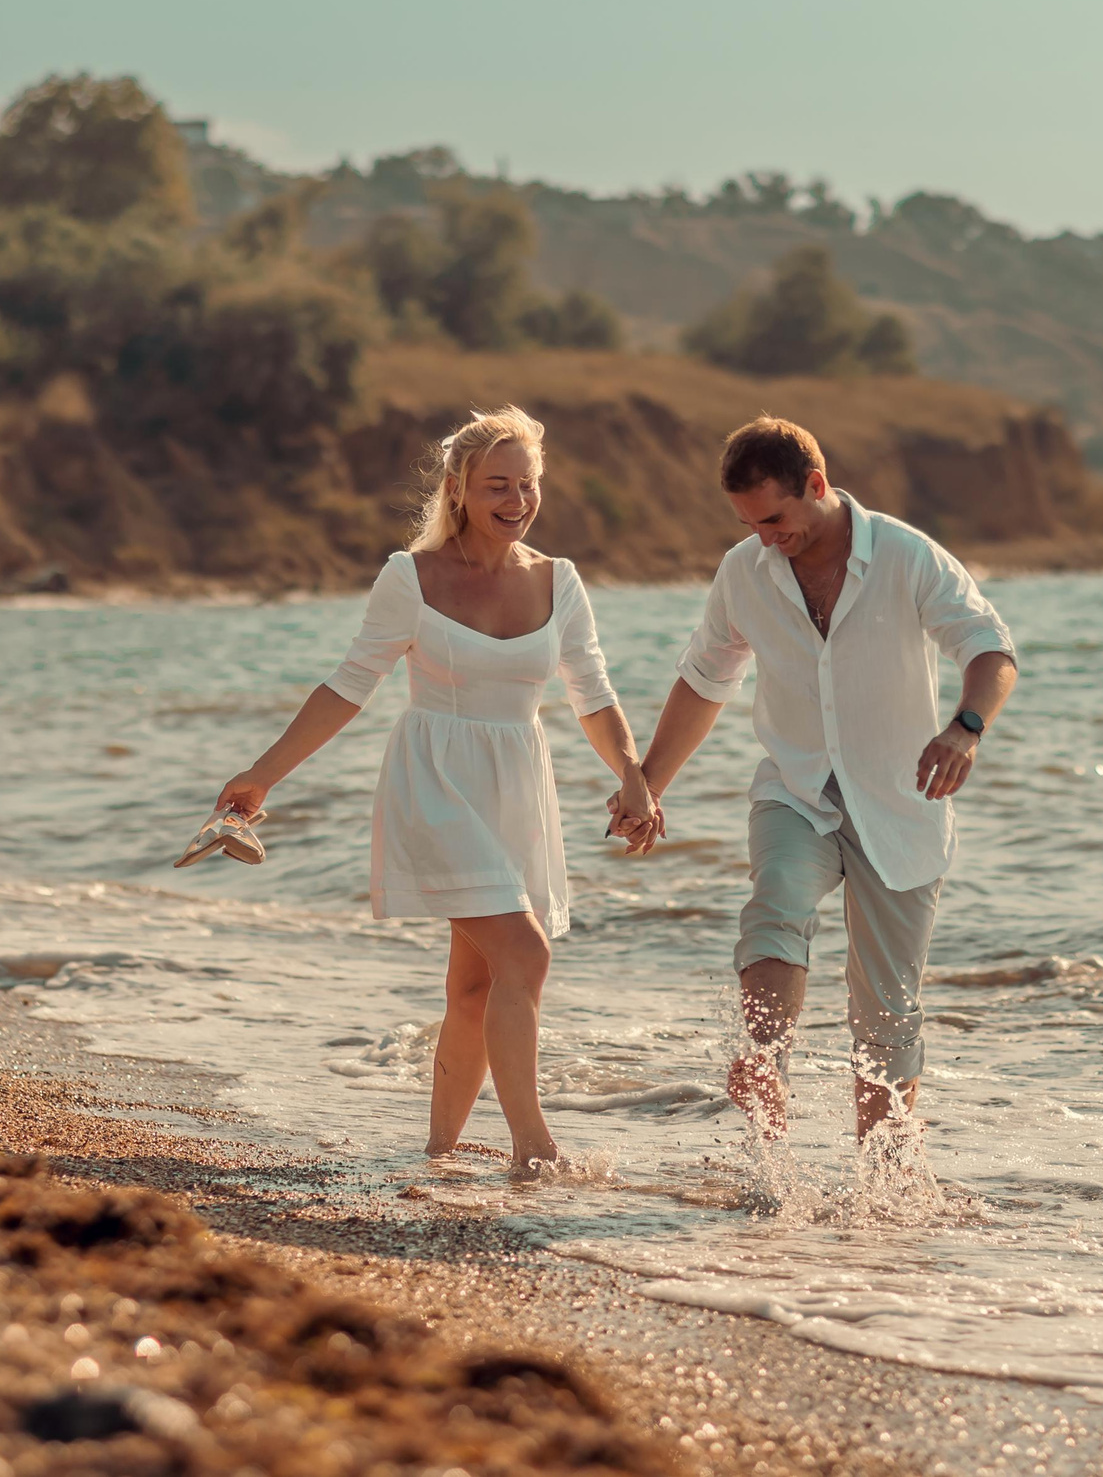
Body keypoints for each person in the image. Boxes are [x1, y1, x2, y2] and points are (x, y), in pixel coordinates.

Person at [215, 406, 659, 1176]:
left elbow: (593, 694)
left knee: (476, 984)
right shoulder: (409, 577)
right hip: (434, 780)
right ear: (457, 488)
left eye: (527, 485)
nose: (516, 501)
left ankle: (439, 1153)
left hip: (516, 786)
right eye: (497, 485)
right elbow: (349, 686)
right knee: (525, 953)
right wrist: (262, 774)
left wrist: (633, 777)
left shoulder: (559, 582)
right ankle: (534, 1149)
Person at [613, 416, 1016, 1142]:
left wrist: (965, 729)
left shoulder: (905, 555)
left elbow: (989, 649)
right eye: (747, 522)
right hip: (795, 788)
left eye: (774, 517)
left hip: (901, 803)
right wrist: (648, 783)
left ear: (816, 486)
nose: (764, 536)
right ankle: (764, 1059)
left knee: (887, 1012)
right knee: (777, 898)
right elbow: (705, 682)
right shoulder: (744, 570)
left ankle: (884, 1184)